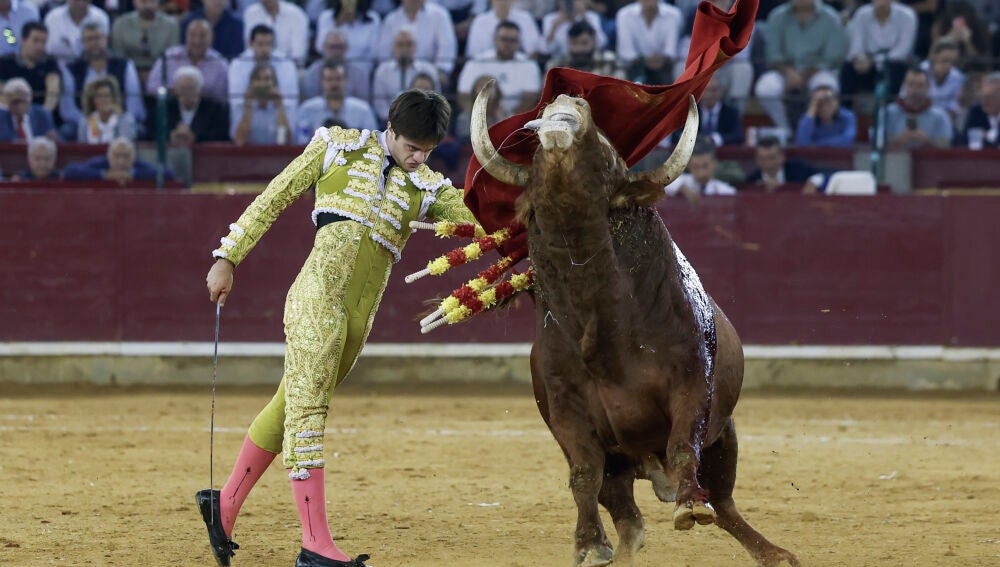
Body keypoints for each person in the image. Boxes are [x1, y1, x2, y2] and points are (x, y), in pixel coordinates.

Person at [198, 89, 481, 567]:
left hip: (356, 323)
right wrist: (227, 257)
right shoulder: (336, 146)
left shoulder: (430, 187)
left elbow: (478, 228)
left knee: (290, 404)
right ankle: (315, 547)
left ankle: (222, 507)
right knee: (309, 414)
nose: (418, 158)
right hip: (315, 301)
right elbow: (275, 197)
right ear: (389, 128)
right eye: (412, 147)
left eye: (427, 151)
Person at [752, 0, 848, 133]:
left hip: (818, 71)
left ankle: (816, 131)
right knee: (765, 89)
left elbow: (832, 58)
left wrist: (803, 75)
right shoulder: (777, 16)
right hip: (785, 71)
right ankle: (784, 129)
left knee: (827, 89)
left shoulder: (831, 18)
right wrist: (788, 72)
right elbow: (772, 54)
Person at [60, 22, 145, 139]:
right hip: (85, 120)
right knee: (67, 131)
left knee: (139, 130)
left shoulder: (125, 65)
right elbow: (68, 109)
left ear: (106, 39)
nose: (94, 43)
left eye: (98, 38)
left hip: (119, 118)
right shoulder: (71, 69)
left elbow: (134, 104)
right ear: (83, 43)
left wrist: (119, 118)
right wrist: (92, 122)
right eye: (89, 39)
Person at [456, 20, 541, 115]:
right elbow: (463, 95)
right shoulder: (476, 62)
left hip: (514, 119)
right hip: (479, 116)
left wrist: (508, 119)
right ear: (495, 39)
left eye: (512, 40)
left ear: (519, 42)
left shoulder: (529, 64)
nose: (507, 44)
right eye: (504, 39)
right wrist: (479, 116)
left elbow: (530, 99)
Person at [146, 18, 229, 101]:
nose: (197, 41)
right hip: (172, 108)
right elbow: (151, 88)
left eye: (203, 36)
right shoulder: (168, 57)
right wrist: (174, 91)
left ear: (211, 38)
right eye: (192, 35)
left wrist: (198, 94)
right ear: (186, 36)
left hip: (208, 111)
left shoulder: (220, 63)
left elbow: (223, 97)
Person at [228, 24, 298, 121]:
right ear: (251, 44)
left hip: (276, 115)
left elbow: (290, 101)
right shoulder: (238, 64)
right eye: (260, 44)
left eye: (268, 44)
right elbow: (235, 101)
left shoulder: (286, 64)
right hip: (248, 115)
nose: (265, 49)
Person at [296, 61, 377, 143]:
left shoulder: (363, 110)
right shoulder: (307, 109)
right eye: (329, 79)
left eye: (338, 79)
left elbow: (372, 142)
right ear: (322, 82)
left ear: (346, 80)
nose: (334, 84)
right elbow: (301, 142)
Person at [370, 27, 439, 121]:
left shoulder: (429, 69)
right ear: (393, 47)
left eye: (409, 44)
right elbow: (380, 106)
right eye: (400, 45)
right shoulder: (382, 71)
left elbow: (438, 100)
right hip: (391, 122)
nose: (404, 49)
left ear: (415, 46)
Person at [150, 65, 230, 145]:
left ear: (200, 89)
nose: (187, 93)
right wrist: (170, 137)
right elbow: (152, 133)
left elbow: (220, 135)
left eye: (191, 88)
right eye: (183, 88)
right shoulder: (164, 108)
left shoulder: (215, 109)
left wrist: (195, 137)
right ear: (176, 90)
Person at [377, 0, 457, 77]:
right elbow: (384, 55)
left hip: (430, 77)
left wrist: (440, 71)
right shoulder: (391, 19)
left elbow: (447, 48)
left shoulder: (439, 15)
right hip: (397, 75)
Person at [615, 0, 683, 85]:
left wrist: (657, 59)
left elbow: (670, 51)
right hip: (635, 65)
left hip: (663, 65)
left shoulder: (674, 14)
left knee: (678, 71)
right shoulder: (624, 14)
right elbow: (626, 52)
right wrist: (644, 60)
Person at [885, 65, 952, 149]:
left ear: (928, 87)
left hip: (928, 160)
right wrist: (899, 141)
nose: (915, 90)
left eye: (920, 85)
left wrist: (926, 141)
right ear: (904, 86)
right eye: (910, 84)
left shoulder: (940, 115)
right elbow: (877, 144)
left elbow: (946, 146)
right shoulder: (888, 113)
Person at [110, 0, 180, 81]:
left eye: (152, 1)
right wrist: (133, 74)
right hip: (128, 73)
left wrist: (154, 74)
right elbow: (119, 56)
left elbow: (172, 57)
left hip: (162, 74)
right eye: (143, 1)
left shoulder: (172, 25)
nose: (148, 6)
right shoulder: (120, 24)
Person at [0, 21, 60, 113]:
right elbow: (2, 96)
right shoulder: (6, 62)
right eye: (35, 40)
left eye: (43, 42)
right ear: (23, 40)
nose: (40, 46)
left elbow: (53, 92)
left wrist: (43, 115)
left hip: (39, 114)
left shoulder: (49, 63)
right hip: (11, 115)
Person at [63, 136, 171, 183]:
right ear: (109, 156)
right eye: (117, 156)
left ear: (134, 157)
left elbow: (167, 174)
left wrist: (133, 175)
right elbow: (69, 172)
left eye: (126, 156)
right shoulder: (100, 163)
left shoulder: (138, 166)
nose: (121, 161)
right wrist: (104, 175)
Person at [231, 61, 290, 145]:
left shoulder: (284, 106)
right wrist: (248, 107)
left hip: (276, 155)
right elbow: (240, 142)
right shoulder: (240, 106)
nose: (262, 84)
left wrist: (279, 107)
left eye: (267, 79)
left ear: (274, 83)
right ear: (251, 83)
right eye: (258, 79)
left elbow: (285, 142)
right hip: (248, 155)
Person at [746, 135, 827, 193]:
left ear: (782, 157)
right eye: (762, 159)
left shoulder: (798, 168)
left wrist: (813, 182)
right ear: (756, 160)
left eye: (772, 158)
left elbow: (823, 174)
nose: (768, 163)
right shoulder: (752, 180)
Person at [664, 137, 737, 201]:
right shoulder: (682, 181)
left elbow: (732, 193)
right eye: (696, 167)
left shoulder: (724, 190)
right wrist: (682, 188)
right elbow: (661, 185)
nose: (701, 173)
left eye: (705, 166)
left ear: (714, 164)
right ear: (689, 166)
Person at [544, 19, 622, 78]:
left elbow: (622, 91)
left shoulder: (611, 60)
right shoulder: (556, 65)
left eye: (584, 43)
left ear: (594, 40)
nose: (579, 48)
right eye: (574, 43)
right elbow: (548, 97)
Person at [465, 0, 540, 58]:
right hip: (486, 66)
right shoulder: (479, 21)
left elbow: (532, 51)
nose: (502, 3)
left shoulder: (525, 18)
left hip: (518, 64)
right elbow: (474, 53)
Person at [242, 0, 309, 65]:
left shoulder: (297, 15)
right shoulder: (250, 13)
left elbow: (298, 55)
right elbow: (249, 48)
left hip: (290, 67)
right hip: (256, 66)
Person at [42, 0, 110, 64]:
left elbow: (103, 48)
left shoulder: (101, 17)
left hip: (90, 67)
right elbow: (46, 49)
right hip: (57, 66)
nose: (79, 2)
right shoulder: (52, 18)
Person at [794, 81, 857, 147]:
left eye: (828, 100)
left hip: (842, 156)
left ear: (837, 102)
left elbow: (847, 140)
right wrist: (812, 110)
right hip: (815, 156)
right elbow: (802, 143)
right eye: (819, 102)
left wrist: (816, 144)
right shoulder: (808, 117)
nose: (824, 106)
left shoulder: (847, 116)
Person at [76, 76, 137, 143]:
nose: (103, 100)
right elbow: (83, 147)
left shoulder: (125, 118)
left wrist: (120, 118)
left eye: (106, 96)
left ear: (113, 98)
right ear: (93, 100)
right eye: (99, 96)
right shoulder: (88, 121)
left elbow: (127, 143)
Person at [539, 0, 606, 59]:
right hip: (562, 63)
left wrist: (584, 17)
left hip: (588, 59)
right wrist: (554, 27)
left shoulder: (591, 16)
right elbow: (545, 50)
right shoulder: (549, 19)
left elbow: (601, 44)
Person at [180, 0, 245, 60]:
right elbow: (183, 51)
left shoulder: (237, 25)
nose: (217, 1)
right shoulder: (189, 22)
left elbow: (237, 55)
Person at [920, 38, 964, 123]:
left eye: (952, 62)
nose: (949, 66)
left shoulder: (957, 77)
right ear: (934, 56)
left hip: (946, 120)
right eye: (945, 60)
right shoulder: (920, 71)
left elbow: (956, 105)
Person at [955, 72, 1000, 149]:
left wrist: (989, 136)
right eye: (983, 97)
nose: (985, 101)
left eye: (991, 96)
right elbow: (965, 141)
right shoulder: (976, 111)